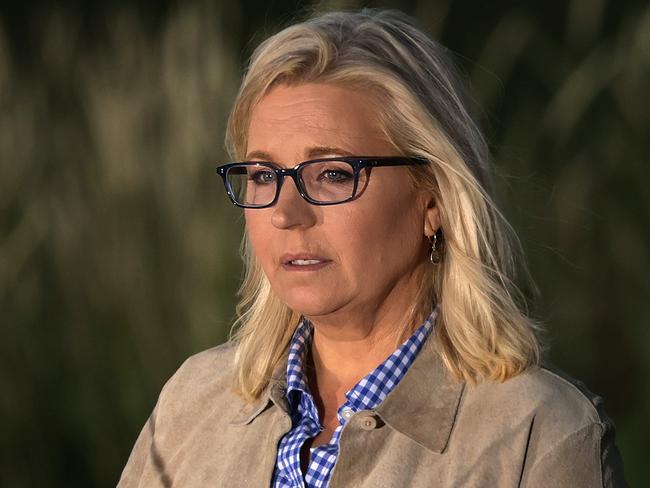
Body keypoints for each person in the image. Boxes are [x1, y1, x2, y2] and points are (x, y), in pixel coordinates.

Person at [118, 9, 627, 487]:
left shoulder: (538, 435)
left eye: (334, 174)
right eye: (263, 175)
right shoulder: (192, 400)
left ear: (434, 199)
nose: (285, 213)